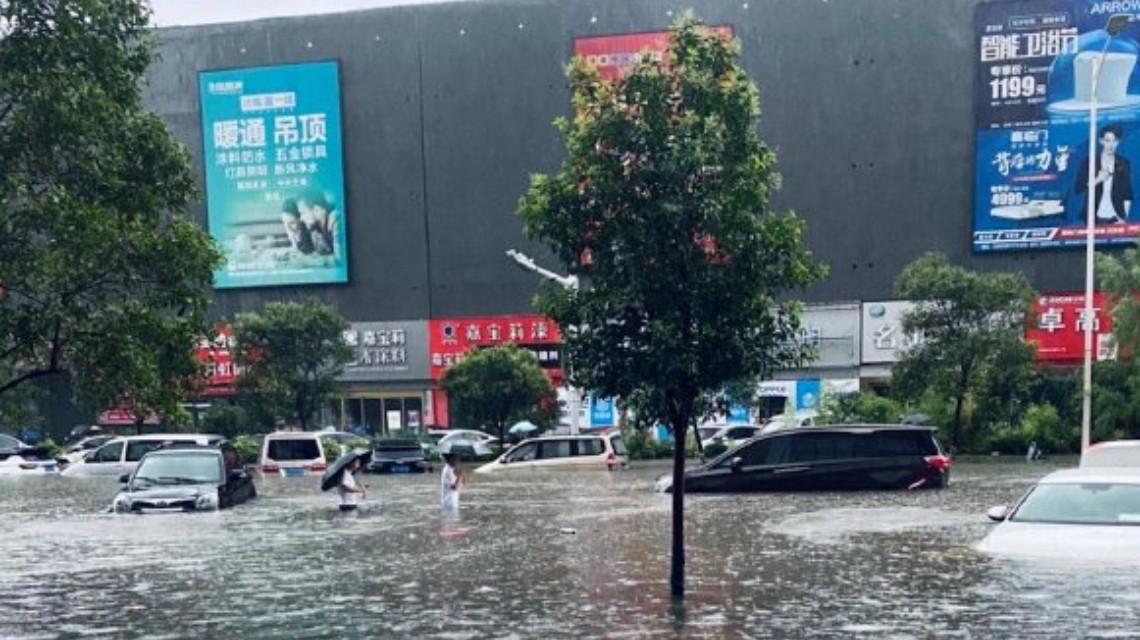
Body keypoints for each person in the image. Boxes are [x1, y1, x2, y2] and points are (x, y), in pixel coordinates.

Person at [1074, 123, 1133, 224]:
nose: (1111, 145)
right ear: (1101, 141)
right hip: (1093, 219)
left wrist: (1123, 218)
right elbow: (1078, 188)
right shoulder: (1090, 162)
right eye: (1107, 140)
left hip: (1116, 218)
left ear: (1118, 142)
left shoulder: (1123, 163)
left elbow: (1127, 194)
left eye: (1114, 141)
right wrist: (1098, 179)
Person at [298, 189, 341, 259]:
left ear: (317, 209)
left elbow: (341, 258)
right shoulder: (317, 226)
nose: (301, 218)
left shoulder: (336, 221)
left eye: (303, 213)